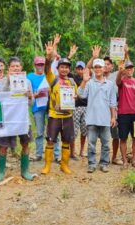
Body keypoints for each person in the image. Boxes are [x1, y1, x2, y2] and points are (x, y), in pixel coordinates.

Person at [0, 57, 36, 181]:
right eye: (13, 66)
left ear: (21, 68)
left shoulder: (27, 81)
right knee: (3, 146)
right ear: (9, 68)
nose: (16, 68)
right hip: (7, 119)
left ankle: (25, 171)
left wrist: (30, 96)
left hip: (23, 118)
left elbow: (31, 103)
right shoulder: (2, 81)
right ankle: (1, 172)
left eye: (18, 66)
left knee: (25, 144)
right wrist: (8, 81)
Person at [41, 40, 77, 175]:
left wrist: (75, 98)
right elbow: (46, 69)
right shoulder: (53, 79)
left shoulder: (72, 81)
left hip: (68, 116)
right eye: (62, 67)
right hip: (54, 116)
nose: (64, 69)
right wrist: (48, 58)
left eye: (67, 67)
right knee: (50, 140)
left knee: (67, 141)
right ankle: (47, 166)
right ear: (58, 68)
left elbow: (76, 95)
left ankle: (64, 165)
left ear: (69, 69)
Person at [77, 58, 117, 173]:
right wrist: (84, 81)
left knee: (105, 144)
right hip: (92, 119)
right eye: (96, 67)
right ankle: (92, 163)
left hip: (105, 119)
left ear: (104, 68)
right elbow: (81, 95)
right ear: (93, 69)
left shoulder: (110, 84)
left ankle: (104, 163)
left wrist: (113, 117)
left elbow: (112, 102)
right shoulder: (89, 83)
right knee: (91, 144)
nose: (98, 69)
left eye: (100, 67)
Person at [27, 56, 61, 162]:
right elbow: (28, 93)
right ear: (35, 65)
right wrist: (34, 95)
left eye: (42, 64)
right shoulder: (30, 77)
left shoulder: (50, 75)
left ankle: (57, 155)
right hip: (38, 107)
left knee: (54, 131)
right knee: (39, 132)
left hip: (50, 107)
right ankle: (38, 154)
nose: (40, 66)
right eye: (38, 64)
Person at [116, 60, 135, 168]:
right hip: (123, 114)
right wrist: (120, 72)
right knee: (123, 138)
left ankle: (134, 160)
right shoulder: (122, 81)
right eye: (127, 68)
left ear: (133, 69)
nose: (129, 70)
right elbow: (117, 81)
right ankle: (124, 161)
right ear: (125, 70)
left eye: (131, 68)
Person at [68, 61, 88, 159]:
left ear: (84, 69)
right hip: (75, 107)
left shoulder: (88, 79)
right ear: (76, 69)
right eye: (78, 69)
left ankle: (82, 150)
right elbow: (65, 71)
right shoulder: (73, 78)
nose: (80, 71)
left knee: (84, 130)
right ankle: (72, 152)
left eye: (82, 69)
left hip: (86, 107)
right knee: (74, 131)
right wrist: (69, 57)